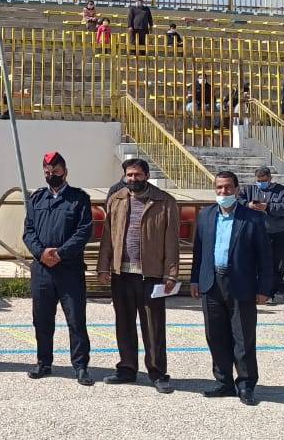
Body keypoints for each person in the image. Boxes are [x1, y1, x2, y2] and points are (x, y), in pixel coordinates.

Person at [97, 158, 180, 394]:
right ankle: (127, 368)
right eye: (129, 175)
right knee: (123, 324)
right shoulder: (116, 199)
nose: (133, 179)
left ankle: (157, 373)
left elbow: (172, 242)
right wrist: (103, 267)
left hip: (151, 274)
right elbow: (107, 237)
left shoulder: (164, 201)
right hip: (121, 273)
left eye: (138, 175)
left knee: (153, 327)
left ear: (147, 175)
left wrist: (171, 274)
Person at [191, 171, 272, 406]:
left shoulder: (253, 218)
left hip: (241, 284)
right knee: (215, 335)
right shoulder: (205, 216)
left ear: (237, 190)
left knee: (243, 336)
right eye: (219, 187)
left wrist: (264, 288)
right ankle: (223, 381)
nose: (223, 192)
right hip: (211, 283)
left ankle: (246, 384)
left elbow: (265, 257)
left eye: (227, 187)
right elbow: (199, 251)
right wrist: (195, 280)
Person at [24, 151, 94, 384]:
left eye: (55, 171)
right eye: (47, 171)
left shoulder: (78, 199)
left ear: (65, 172)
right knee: (42, 320)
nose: (51, 175)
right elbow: (28, 231)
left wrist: (61, 253)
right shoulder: (36, 199)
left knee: (76, 320)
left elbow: (83, 231)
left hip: (69, 269)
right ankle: (43, 362)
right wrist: (41, 253)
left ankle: (81, 366)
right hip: (42, 269)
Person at [239, 167, 284, 305]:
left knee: (277, 264)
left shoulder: (281, 190)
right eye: (258, 181)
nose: (261, 183)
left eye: (263, 181)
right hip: (257, 231)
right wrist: (248, 205)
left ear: (270, 178)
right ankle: (259, 291)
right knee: (257, 263)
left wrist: (268, 207)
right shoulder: (249, 190)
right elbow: (238, 201)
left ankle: (273, 292)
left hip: (279, 232)